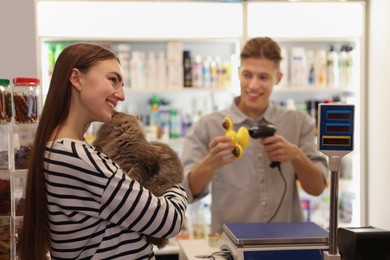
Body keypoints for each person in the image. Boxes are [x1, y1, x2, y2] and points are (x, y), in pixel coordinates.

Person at [19, 43, 187, 260]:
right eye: (113, 80)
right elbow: (168, 221)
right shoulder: (75, 157)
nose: (122, 95)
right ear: (76, 78)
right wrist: (175, 184)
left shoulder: (60, 150)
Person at [181, 37, 328, 234]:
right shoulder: (207, 126)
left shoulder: (298, 123)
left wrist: (295, 156)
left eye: (263, 77)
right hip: (229, 248)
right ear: (238, 74)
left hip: (286, 245)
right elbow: (185, 193)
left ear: (278, 78)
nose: (253, 85)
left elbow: (317, 188)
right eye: (247, 75)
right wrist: (211, 161)